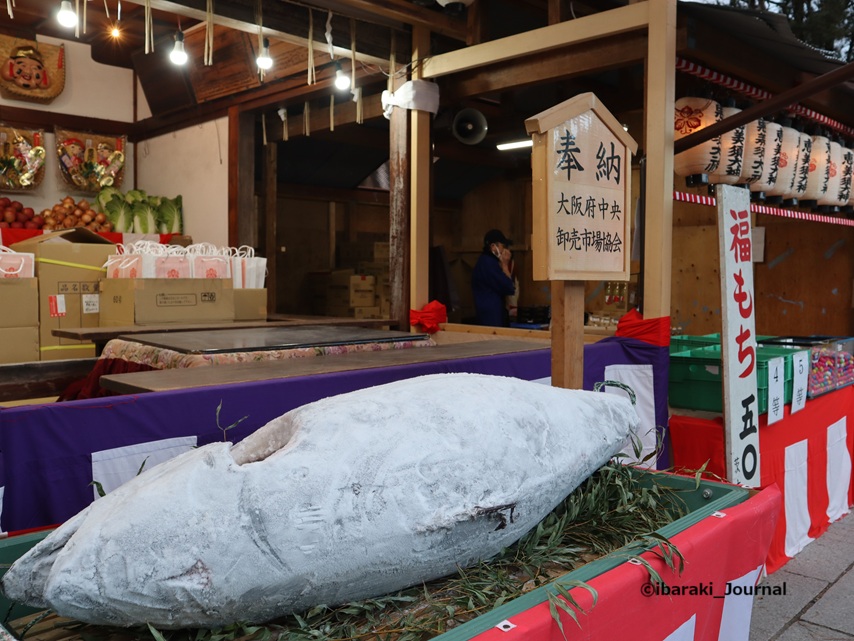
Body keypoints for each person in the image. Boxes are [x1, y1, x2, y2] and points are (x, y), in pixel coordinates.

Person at [471, 229, 516, 326]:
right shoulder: (488, 264)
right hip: (491, 316)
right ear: (493, 246)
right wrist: (504, 265)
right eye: (503, 246)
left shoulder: (485, 262)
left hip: (489, 312)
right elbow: (508, 287)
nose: (505, 250)